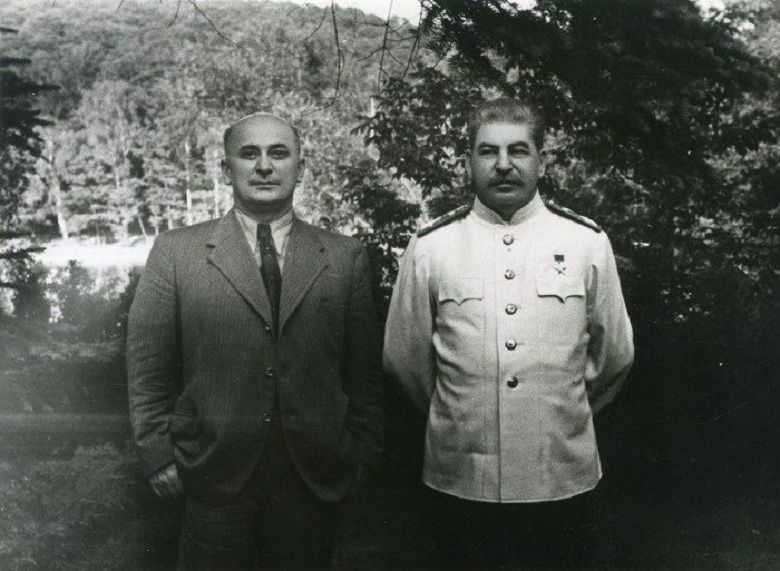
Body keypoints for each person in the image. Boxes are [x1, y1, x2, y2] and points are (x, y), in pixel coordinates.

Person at [383, 98, 634, 569]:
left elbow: (614, 356)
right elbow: (404, 359)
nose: (503, 165)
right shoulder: (433, 247)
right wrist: (459, 412)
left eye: (518, 150)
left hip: (560, 474)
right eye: (488, 151)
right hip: (462, 478)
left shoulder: (585, 242)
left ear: (542, 160)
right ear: (468, 162)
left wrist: (560, 411)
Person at [127, 113, 384, 570]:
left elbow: (364, 374)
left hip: (312, 478)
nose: (264, 166)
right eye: (249, 154)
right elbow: (148, 366)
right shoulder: (176, 252)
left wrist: (362, 453)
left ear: (300, 169)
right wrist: (158, 454)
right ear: (227, 169)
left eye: (278, 153)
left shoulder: (345, 256)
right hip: (212, 475)